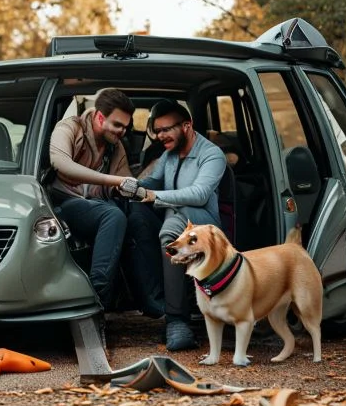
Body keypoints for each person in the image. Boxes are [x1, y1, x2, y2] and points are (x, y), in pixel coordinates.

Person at [126, 99, 227, 350]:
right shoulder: (168, 156)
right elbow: (152, 182)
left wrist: (154, 196)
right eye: (157, 130)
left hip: (204, 226)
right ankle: (153, 295)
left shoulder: (212, 155)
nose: (160, 135)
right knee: (136, 213)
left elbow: (199, 194)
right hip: (173, 218)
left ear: (187, 126)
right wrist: (130, 187)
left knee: (171, 229)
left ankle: (176, 321)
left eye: (166, 129)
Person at [48, 88, 137, 308]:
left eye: (126, 127)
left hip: (95, 204)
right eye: (118, 125)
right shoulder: (70, 128)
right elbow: (61, 164)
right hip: (63, 204)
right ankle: (97, 297)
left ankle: (146, 301)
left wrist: (139, 184)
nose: (122, 131)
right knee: (113, 216)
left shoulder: (115, 146)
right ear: (99, 117)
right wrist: (112, 181)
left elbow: (125, 181)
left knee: (135, 215)